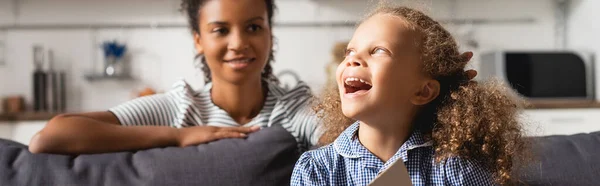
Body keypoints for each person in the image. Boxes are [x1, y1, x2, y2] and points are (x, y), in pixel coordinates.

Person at [29, 0, 322, 155]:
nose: (238, 43)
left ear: (270, 33)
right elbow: (48, 138)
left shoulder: (294, 108)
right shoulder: (179, 109)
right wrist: (177, 136)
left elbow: (345, 142)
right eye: (220, 30)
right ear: (198, 40)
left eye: (254, 27)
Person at [291, 5, 526, 186]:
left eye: (379, 51)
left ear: (423, 91)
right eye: (350, 51)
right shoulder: (316, 170)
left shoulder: (453, 169)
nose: (352, 59)